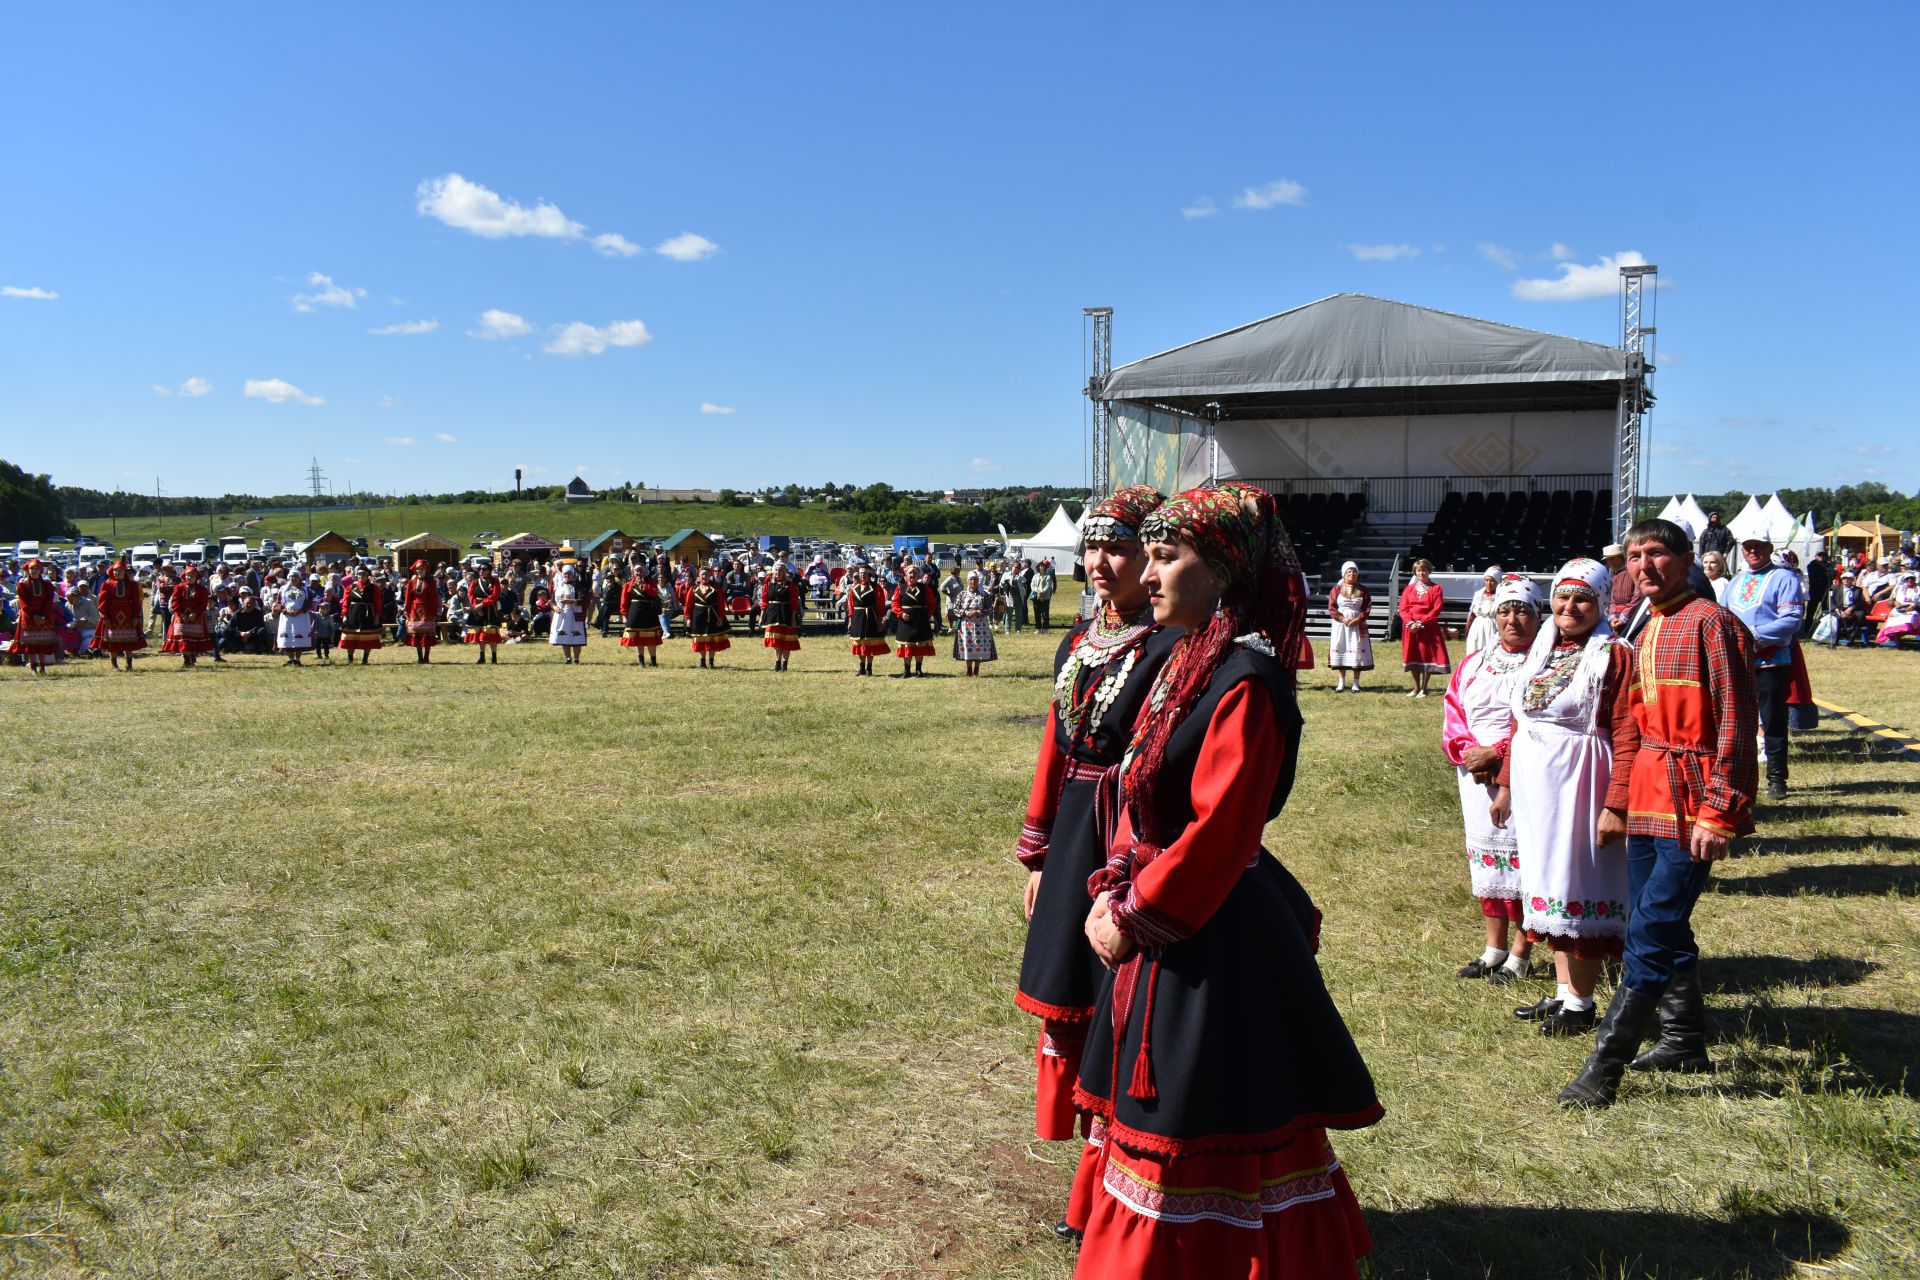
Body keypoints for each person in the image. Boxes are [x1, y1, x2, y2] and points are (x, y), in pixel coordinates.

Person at [1072, 482, 1380, 1278]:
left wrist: (1132, 914)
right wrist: (1114, 877)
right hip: (1167, 912)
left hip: (1209, 933)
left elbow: (1220, 832)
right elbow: (1139, 789)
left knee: (1202, 1109)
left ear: (1224, 572)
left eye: (1168, 558)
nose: (1148, 574)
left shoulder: (1244, 680)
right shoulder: (1187, 661)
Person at [1013, 485, 1176, 1244]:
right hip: (1076, 833)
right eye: (1093, 546)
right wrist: (1039, 852)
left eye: (1118, 546)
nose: (1101, 561)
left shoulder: (1172, 646)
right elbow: (1054, 745)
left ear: (1152, 556)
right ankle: (1090, 1193)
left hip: (1127, 837)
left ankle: (1103, 1200)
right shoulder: (1078, 639)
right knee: (1075, 1005)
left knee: (1122, 1012)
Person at [1559, 518, 1755, 1109]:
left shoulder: (1714, 625)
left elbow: (1738, 727)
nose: (1644, 565)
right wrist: (1617, 800)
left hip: (1692, 799)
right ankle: (1683, 1038)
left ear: (1687, 558)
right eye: (1636, 556)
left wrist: (1720, 811)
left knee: (1650, 927)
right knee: (1657, 918)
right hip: (1647, 795)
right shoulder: (1646, 626)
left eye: (1657, 554)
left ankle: (1606, 1064)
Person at [1492, 558, 1637, 1036]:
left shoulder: (1613, 654)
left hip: (1583, 781)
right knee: (1548, 883)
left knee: (1579, 884)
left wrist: (1616, 802)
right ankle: (1562, 992)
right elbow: (1519, 723)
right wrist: (1508, 785)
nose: (1569, 606)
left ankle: (1581, 1002)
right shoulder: (1543, 649)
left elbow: (1627, 728)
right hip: (1538, 789)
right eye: (1562, 596)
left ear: (1600, 603)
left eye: (1582, 599)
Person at [1440, 575, 1543, 986]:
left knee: (1524, 864)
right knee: (1487, 861)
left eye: (1522, 610)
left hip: (1523, 771)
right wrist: (1469, 752)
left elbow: (1539, 720)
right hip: (1473, 774)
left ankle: (1521, 951)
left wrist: (1498, 752)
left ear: (1538, 616)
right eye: (1505, 610)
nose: (1512, 618)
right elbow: (1454, 711)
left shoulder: (1544, 663)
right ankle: (1493, 947)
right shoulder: (1474, 662)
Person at [1725, 535, 1804, 800]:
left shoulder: (1784, 579)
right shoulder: (1735, 583)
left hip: (1771, 661)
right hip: (1737, 662)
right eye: (1748, 547)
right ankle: (1738, 778)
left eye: (1759, 546)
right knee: (1736, 722)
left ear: (1770, 548)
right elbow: (1722, 616)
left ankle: (1776, 778)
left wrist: (1752, 635)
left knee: (1773, 721)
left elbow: (1791, 619)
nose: (1753, 551)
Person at [1398, 557, 1450, 697]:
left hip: (1428, 627)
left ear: (1429, 571)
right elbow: (1403, 608)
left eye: (1424, 570)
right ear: (1415, 572)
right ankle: (1415, 688)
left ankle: (1424, 688)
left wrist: (1421, 623)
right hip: (1410, 627)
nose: (1422, 573)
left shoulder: (1436, 588)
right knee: (1413, 655)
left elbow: (1436, 609)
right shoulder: (1409, 589)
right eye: (1419, 570)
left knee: (1427, 656)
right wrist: (1410, 623)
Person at [1321, 561, 1373, 693]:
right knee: (1342, 649)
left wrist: (1358, 619)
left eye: (1354, 572)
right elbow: (1332, 607)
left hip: (1357, 624)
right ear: (1344, 574)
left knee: (1356, 650)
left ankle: (1356, 683)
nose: (1352, 574)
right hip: (1340, 625)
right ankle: (1341, 683)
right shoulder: (1336, 589)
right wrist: (1343, 618)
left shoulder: (1363, 590)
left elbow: (1367, 607)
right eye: (1349, 572)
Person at [7, 559, 60, 674]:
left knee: (42, 642)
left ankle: (42, 666)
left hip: (44, 616)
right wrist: (33, 615)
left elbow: (48, 601)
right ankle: (33, 667)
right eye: (31, 568)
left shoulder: (47, 585)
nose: (34, 571)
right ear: (28, 570)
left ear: (40, 570)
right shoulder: (22, 585)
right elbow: (23, 602)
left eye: (36, 568)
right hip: (28, 616)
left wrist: (43, 615)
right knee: (30, 643)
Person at [93, 558, 146, 670]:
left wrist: (136, 616)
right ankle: (114, 665)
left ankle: (129, 664)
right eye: (115, 571)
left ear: (124, 571)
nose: (117, 573)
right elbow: (103, 601)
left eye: (119, 570)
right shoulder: (107, 585)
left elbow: (136, 601)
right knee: (112, 641)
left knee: (128, 641)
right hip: (112, 615)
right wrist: (104, 616)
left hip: (128, 615)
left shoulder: (132, 585)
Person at [163, 565, 214, 668]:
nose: (189, 577)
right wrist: (181, 614)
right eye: (187, 575)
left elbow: (203, 603)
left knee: (194, 638)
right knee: (184, 639)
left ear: (196, 577)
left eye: (191, 575)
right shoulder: (179, 587)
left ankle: (192, 656)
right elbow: (175, 602)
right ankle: (187, 661)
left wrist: (195, 613)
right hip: (181, 617)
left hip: (196, 617)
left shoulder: (202, 589)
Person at [890, 562, 936, 677]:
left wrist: (927, 615)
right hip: (906, 622)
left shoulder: (925, 588)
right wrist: (901, 614)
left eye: (915, 573)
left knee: (920, 646)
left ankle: (919, 669)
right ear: (906, 575)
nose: (912, 575)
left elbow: (932, 603)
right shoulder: (901, 588)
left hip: (921, 621)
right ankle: (907, 670)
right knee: (907, 646)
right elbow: (895, 603)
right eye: (910, 573)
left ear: (918, 576)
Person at [844, 563, 890, 676]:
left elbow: (880, 605)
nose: (862, 575)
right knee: (859, 643)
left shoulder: (876, 587)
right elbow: (851, 605)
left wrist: (880, 620)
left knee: (870, 643)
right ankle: (861, 667)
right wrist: (850, 620)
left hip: (871, 616)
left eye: (864, 573)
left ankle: (869, 667)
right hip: (857, 618)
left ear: (869, 575)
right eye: (860, 574)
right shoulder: (854, 588)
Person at [949, 569, 997, 675]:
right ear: (967, 581)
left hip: (981, 626)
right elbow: (955, 609)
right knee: (967, 646)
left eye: (975, 580)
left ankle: (977, 669)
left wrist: (978, 612)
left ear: (978, 581)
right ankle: (969, 669)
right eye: (971, 580)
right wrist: (965, 612)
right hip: (966, 626)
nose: (973, 582)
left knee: (978, 647)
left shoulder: (984, 595)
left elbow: (990, 609)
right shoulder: (962, 595)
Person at [683, 566, 731, 668]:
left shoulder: (716, 588)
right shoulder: (693, 589)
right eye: (702, 574)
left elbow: (721, 604)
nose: (704, 576)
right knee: (700, 639)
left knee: (711, 639)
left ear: (710, 576)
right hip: (698, 617)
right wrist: (688, 618)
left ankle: (711, 662)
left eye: (706, 574)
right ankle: (702, 662)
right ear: (699, 577)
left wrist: (721, 617)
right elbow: (688, 605)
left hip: (712, 616)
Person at [759, 561, 802, 672]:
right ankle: (777, 663)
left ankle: (785, 664)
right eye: (776, 570)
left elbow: (794, 602)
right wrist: (762, 616)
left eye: (781, 570)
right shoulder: (769, 583)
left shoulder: (790, 585)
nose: (778, 572)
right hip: (772, 613)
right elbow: (764, 600)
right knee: (775, 641)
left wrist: (793, 618)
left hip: (786, 614)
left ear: (784, 572)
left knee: (786, 641)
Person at [339, 567, 384, 664]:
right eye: (359, 575)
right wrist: (344, 615)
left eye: (363, 575)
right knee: (350, 636)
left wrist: (377, 616)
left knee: (367, 637)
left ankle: (365, 659)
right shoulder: (350, 587)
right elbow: (345, 602)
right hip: (353, 614)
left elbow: (378, 603)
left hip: (368, 615)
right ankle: (350, 658)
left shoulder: (374, 588)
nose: (361, 577)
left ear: (367, 576)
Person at [401, 561, 440, 664]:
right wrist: (407, 610)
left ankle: (426, 657)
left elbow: (434, 597)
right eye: (418, 569)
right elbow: (408, 598)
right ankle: (419, 657)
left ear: (426, 570)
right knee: (417, 633)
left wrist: (434, 611)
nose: (420, 571)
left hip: (427, 609)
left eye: (422, 569)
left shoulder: (431, 582)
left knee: (428, 633)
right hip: (414, 609)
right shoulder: (411, 582)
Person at [465, 564, 504, 664]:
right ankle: (482, 656)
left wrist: (482, 604)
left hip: (490, 609)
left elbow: (495, 595)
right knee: (480, 634)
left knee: (491, 633)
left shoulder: (495, 582)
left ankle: (494, 657)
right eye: (480, 569)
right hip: (478, 610)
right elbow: (470, 594)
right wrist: (475, 606)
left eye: (484, 569)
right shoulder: (475, 582)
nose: (481, 571)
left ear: (489, 570)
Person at [274, 569, 314, 665]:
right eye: (292, 576)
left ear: (300, 578)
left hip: (301, 616)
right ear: (289, 578)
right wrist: (285, 610)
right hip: (287, 617)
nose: (294, 578)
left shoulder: (305, 589)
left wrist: (299, 611)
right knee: (288, 635)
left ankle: (298, 659)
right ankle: (290, 659)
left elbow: (309, 602)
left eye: (296, 576)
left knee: (299, 635)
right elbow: (278, 603)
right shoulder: (283, 589)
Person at [550, 565, 589, 664]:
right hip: (562, 615)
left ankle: (576, 658)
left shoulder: (578, 586)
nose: (567, 575)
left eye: (569, 573)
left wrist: (570, 601)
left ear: (573, 574)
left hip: (575, 615)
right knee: (564, 636)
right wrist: (554, 607)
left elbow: (583, 600)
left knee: (576, 637)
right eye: (565, 574)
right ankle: (568, 658)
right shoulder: (559, 586)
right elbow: (552, 601)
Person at [1464, 564, 1501, 656]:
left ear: (1497, 582)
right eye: (1487, 580)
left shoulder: (1500, 596)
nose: (1489, 583)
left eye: (1492, 580)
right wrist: (1468, 628)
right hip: (1477, 626)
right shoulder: (1478, 594)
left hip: (1492, 627)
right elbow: (1472, 613)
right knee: (1475, 651)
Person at [223, 588, 271, 655]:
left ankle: (256, 650)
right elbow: (229, 627)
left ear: (255, 605)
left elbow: (260, 625)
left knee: (262, 631)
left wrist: (250, 632)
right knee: (226, 631)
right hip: (240, 635)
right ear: (243, 604)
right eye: (248, 603)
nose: (249, 605)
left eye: (252, 604)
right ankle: (239, 650)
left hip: (253, 635)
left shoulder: (258, 613)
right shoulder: (238, 614)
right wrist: (240, 633)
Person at [1603, 543, 1636, 632]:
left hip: (1633, 617)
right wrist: (1613, 617)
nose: (1608, 564)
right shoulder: (1614, 576)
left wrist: (1624, 617)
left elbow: (1638, 597)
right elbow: (1612, 600)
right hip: (1617, 621)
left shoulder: (1633, 573)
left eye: (1608, 560)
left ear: (1617, 559)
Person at [1030, 557, 1056, 631]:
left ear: (1045, 568)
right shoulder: (1035, 576)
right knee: (1037, 613)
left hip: (1045, 597)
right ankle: (1038, 628)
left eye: (1043, 566)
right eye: (1040, 566)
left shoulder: (1048, 576)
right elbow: (1032, 585)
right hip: (1036, 597)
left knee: (1045, 614)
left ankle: (1045, 629)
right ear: (1038, 567)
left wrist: (1041, 592)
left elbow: (1047, 587)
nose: (1041, 567)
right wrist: (1037, 591)